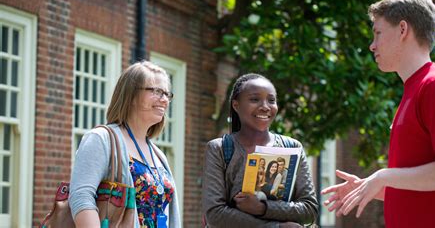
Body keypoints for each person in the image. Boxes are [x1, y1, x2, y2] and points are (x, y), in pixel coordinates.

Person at [321, 0, 435, 228]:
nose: (372, 45)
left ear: (403, 30)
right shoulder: (416, 89)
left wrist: (384, 176)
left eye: (378, 33)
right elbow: (421, 185)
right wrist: (371, 186)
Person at [69, 61, 181, 228]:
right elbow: (81, 197)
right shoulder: (101, 139)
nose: (164, 99)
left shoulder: (158, 154)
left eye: (166, 93)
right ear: (131, 95)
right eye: (157, 91)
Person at [202, 73, 318, 228]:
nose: (265, 106)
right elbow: (215, 214)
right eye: (254, 99)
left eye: (271, 100)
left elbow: (310, 209)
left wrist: (263, 208)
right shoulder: (220, 149)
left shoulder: (292, 148)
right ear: (236, 105)